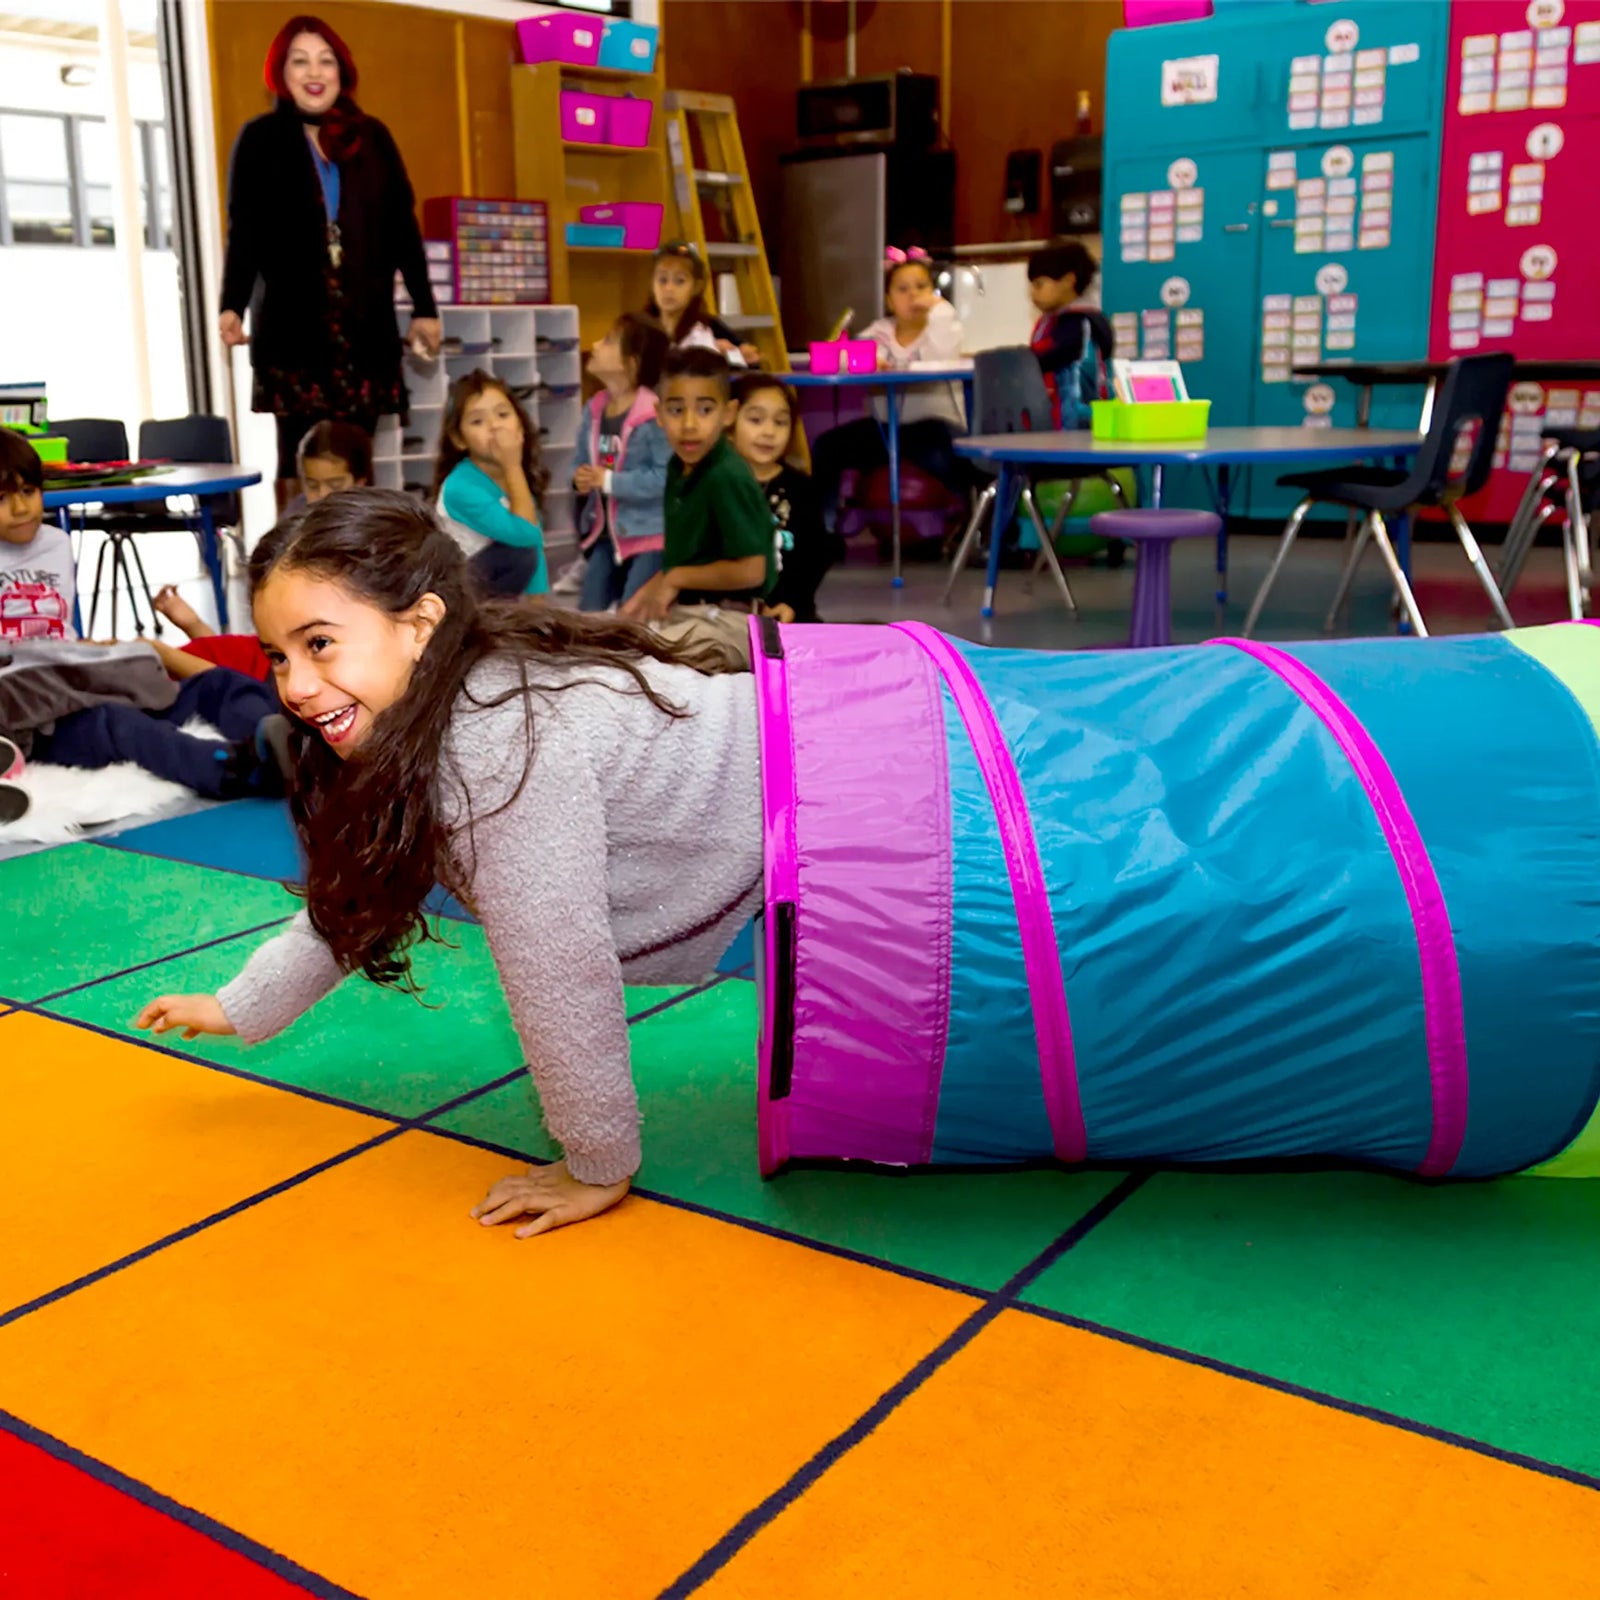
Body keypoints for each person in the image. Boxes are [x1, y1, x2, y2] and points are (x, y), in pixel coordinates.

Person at [136, 490, 759, 1237]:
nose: (295, 686)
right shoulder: (430, 702)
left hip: (845, 785)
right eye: (279, 655)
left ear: (420, 623)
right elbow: (368, 887)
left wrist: (597, 1161)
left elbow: (556, 966)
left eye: (320, 644)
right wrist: (242, 1004)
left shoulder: (490, 745)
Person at [219, 14, 441, 512]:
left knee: (356, 461)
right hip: (293, 334)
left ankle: (364, 571)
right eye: (299, 61)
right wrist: (231, 305)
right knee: (300, 460)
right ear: (281, 73)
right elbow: (245, 232)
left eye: (325, 60)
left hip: (364, 332)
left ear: (342, 72)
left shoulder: (374, 137)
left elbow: (403, 230)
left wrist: (426, 307)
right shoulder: (260, 139)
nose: (313, 72)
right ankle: (294, 572)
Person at [620, 346, 776, 669]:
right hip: (693, 612)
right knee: (615, 645)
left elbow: (752, 570)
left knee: (651, 666)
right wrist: (652, 589)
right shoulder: (679, 468)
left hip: (733, 623)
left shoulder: (726, 475)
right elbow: (689, 559)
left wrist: (675, 578)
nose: (690, 424)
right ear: (659, 415)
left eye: (705, 410)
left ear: (729, 414)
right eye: (677, 411)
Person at [808, 247, 968, 531]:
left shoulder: (943, 328)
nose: (913, 296)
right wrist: (869, 361)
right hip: (885, 428)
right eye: (902, 289)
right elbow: (844, 356)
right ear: (889, 300)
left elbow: (939, 356)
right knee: (827, 447)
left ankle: (970, 527)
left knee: (951, 459)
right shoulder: (879, 332)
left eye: (921, 287)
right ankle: (826, 529)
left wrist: (939, 309)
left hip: (933, 427)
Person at [573, 313, 672, 613]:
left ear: (632, 362)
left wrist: (609, 481)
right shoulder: (594, 408)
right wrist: (579, 477)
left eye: (608, 340)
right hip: (605, 532)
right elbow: (581, 459)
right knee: (588, 616)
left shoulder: (653, 413)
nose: (595, 345)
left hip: (650, 535)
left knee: (634, 614)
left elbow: (664, 476)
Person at [729, 372, 841, 624]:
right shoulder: (715, 485)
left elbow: (813, 557)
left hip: (791, 617)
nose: (769, 431)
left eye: (780, 422)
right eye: (756, 420)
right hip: (729, 618)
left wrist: (791, 602)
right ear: (728, 423)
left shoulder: (802, 488)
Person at [432, 372, 549, 600]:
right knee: (519, 553)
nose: (494, 426)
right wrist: (512, 465)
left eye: (503, 415)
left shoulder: (515, 479)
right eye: (478, 421)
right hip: (454, 592)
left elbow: (535, 542)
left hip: (486, 581)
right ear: (459, 439)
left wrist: (540, 616)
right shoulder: (461, 487)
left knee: (523, 551)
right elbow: (526, 537)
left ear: (520, 426)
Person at [1027, 240, 1115, 428]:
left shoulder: (1081, 322)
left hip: (1080, 423)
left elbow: (1067, 356)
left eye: (1039, 284)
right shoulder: (1051, 322)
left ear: (1068, 280)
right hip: (1055, 421)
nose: (1032, 293)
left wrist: (1023, 361)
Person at [0, 427, 72, 643]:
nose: (20, 509)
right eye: (1, 498)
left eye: (28, 491)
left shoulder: (58, 543)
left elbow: (63, 627)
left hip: (60, 667)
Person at [645, 243, 758, 367]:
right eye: (662, 280)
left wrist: (731, 355)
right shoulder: (639, 328)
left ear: (696, 287)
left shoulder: (706, 330)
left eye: (680, 281)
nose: (669, 288)